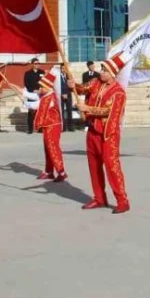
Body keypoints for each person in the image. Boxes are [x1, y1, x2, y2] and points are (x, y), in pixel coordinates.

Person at [74, 52, 130, 213]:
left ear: (112, 74)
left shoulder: (118, 92)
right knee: (94, 166)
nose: (101, 72)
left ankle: (122, 200)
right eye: (102, 69)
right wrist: (74, 85)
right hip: (92, 131)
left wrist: (88, 109)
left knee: (112, 167)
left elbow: (108, 111)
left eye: (105, 70)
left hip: (108, 134)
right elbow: (83, 89)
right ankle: (99, 198)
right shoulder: (95, 82)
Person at [34, 72, 67, 182]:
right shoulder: (46, 96)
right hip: (48, 125)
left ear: (48, 87)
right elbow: (36, 99)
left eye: (42, 87)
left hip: (53, 126)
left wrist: (26, 102)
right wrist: (22, 92)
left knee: (53, 149)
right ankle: (49, 171)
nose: (40, 89)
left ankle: (61, 172)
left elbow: (35, 105)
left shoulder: (50, 98)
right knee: (48, 149)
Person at [23, 58, 44, 134]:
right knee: (31, 111)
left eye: (38, 63)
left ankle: (40, 128)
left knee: (40, 111)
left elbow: (45, 82)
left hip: (41, 94)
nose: (37, 65)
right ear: (32, 64)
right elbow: (26, 84)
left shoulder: (42, 72)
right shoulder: (28, 73)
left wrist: (42, 89)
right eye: (35, 63)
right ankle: (30, 128)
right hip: (32, 94)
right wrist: (34, 90)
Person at [60, 65, 74, 132]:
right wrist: (62, 93)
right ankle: (63, 127)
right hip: (61, 95)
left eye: (65, 68)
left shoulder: (69, 76)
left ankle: (70, 127)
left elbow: (72, 84)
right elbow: (57, 85)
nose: (63, 69)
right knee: (61, 111)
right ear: (60, 69)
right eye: (62, 68)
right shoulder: (58, 76)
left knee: (69, 111)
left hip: (68, 95)